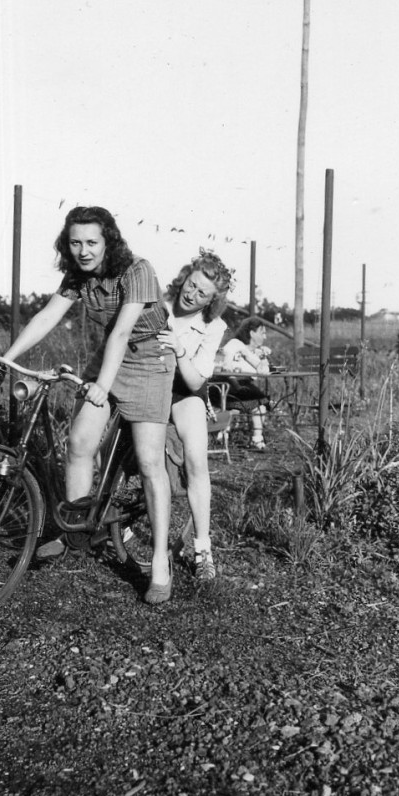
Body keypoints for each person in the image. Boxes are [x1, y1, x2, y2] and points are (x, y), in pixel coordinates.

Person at [0, 206, 175, 605]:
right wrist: (7, 356)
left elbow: (124, 330)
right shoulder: (78, 275)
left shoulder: (136, 269)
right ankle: (75, 534)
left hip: (148, 360)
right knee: (78, 443)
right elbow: (48, 315)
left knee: (148, 460)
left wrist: (102, 386)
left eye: (92, 242)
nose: (84, 250)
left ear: (109, 240)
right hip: (109, 356)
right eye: (76, 242)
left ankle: (160, 562)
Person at [157, 249, 234, 581]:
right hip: (151, 381)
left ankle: (203, 549)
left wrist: (179, 348)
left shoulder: (214, 326)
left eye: (202, 293)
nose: (192, 294)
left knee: (196, 460)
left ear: (211, 301)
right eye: (191, 285)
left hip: (186, 387)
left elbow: (193, 380)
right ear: (184, 278)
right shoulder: (160, 304)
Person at [215, 317, 271, 450]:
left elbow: (264, 371)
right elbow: (222, 364)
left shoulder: (254, 351)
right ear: (252, 333)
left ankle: (256, 439)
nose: (265, 336)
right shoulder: (235, 345)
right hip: (228, 385)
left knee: (260, 403)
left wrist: (262, 356)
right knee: (260, 401)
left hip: (239, 388)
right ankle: (253, 439)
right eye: (262, 333)